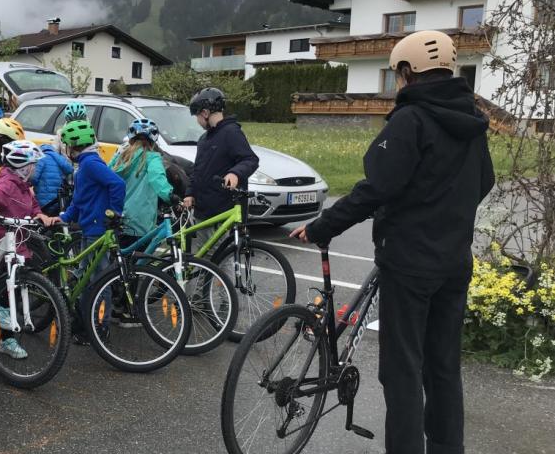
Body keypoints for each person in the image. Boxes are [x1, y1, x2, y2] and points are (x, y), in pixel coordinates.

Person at [290, 30, 495, 454]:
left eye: (397, 74)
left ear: (407, 71)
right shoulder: (472, 121)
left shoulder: (411, 120)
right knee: (442, 366)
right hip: (454, 262)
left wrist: (323, 226)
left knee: (402, 370)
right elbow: (485, 180)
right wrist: (444, 215)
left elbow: (375, 189)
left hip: (409, 264)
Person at [0, 140, 56, 359]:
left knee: (16, 287)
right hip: (5, 243)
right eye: (32, 165)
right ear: (22, 167)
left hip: (20, 243)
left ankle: (5, 330)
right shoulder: (7, 185)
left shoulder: (23, 186)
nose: (35, 169)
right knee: (6, 290)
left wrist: (39, 215)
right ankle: (6, 337)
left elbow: (32, 206)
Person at [56, 116, 125, 338]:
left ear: (74, 145)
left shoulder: (91, 164)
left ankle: (99, 327)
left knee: (98, 281)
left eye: (66, 144)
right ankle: (87, 321)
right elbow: (80, 199)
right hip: (89, 228)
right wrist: (65, 217)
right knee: (86, 278)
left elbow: (117, 184)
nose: (65, 148)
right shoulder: (84, 165)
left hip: (97, 229)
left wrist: (114, 212)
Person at [182, 87, 259, 245]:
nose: (197, 121)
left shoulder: (231, 132)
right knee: (203, 259)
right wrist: (190, 193)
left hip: (223, 210)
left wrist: (235, 173)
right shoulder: (204, 139)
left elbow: (250, 159)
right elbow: (198, 170)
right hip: (203, 210)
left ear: (205, 113)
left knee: (221, 259)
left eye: (197, 115)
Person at [109, 118, 173, 247]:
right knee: (139, 263)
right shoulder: (152, 158)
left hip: (117, 216)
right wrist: (170, 196)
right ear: (152, 141)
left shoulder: (120, 158)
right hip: (141, 221)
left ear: (131, 139)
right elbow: (157, 179)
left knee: (120, 260)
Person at [32, 139, 74, 216]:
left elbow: (34, 178)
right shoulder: (59, 158)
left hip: (43, 200)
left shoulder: (41, 158)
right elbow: (70, 169)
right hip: (58, 200)